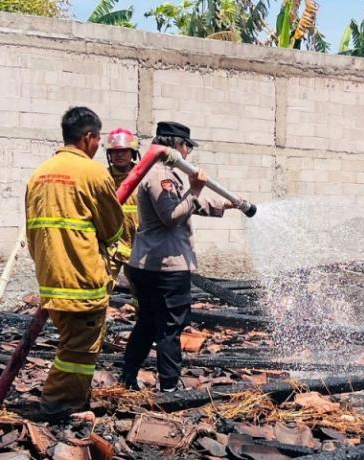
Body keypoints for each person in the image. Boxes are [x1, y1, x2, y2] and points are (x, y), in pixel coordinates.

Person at [121, 121, 237, 392]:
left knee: (147, 324)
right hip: (165, 268)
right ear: (176, 144)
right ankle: (170, 388)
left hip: (150, 265)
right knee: (169, 328)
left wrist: (226, 204)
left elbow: (186, 204)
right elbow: (172, 216)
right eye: (186, 147)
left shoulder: (164, 173)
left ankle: (127, 378)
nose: (188, 154)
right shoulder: (159, 174)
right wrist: (196, 188)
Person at [26, 106, 124, 418]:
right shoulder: (93, 173)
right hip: (83, 282)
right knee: (78, 352)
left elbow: (33, 233)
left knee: (69, 344)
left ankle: (67, 401)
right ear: (87, 137)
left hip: (52, 279)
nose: (100, 147)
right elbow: (113, 228)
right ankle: (59, 405)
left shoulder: (39, 174)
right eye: (98, 140)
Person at [105, 128, 140, 281]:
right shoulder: (103, 177)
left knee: (139, 285)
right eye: (114, 151)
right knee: (103, 279)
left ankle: (138, 305)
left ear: (132, 153)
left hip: (138, 242)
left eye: (124, 151)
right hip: (111, 243)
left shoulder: (143, 176)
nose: (119, 155)